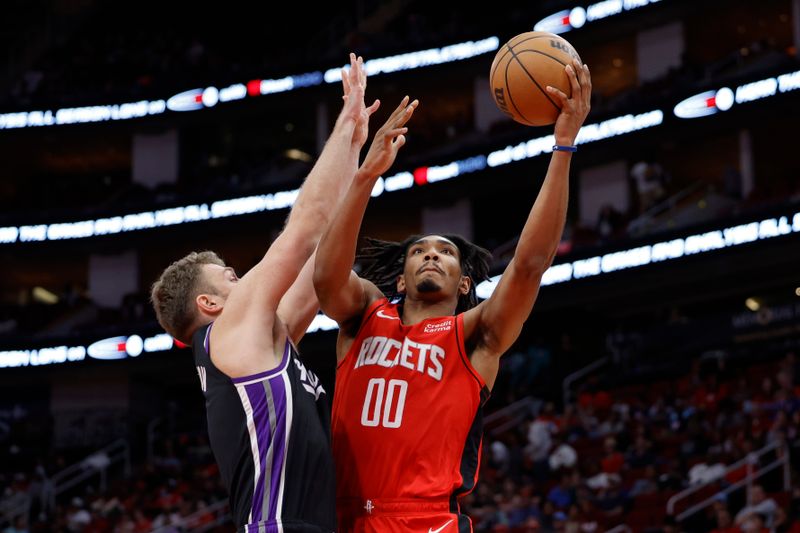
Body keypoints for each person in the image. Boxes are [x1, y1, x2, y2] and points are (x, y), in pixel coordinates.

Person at [314, 58, 592, 532]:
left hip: (424, 522)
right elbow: (326, 278)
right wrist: (365, 177)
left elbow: (528, 265)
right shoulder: (363, 315)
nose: (430, 255)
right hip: (338, 518)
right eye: (419, 251)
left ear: (464, 283)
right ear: (399, 280)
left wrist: (563, 146)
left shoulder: (475, 334)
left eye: (445, 252)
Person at [150, 54, 379, 533]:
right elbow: (304, 230)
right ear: (209, 305)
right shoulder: (230, 332)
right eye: (230, 277)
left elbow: (322, 260)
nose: (242, 277)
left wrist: (355, 155)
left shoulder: (264, 343)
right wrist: (346, 124)